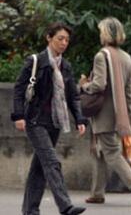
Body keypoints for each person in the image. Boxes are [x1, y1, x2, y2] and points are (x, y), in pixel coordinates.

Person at [11, 22, 87, 215]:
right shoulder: (36, 61)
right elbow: (19, 89)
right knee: (52, 162)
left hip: (54, 123)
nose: (64, 43)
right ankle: (65, 206)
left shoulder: (65, 66)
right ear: (49, 37)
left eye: (67, 40)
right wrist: (18, 115)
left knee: (39, 167)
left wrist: (79, 119)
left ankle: (30, 210)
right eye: (60, 38)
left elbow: (73, 96)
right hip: (35, 121)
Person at [79, 17, 131, 206]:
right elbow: (128, 91)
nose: (100, 35)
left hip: (104, 114)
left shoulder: (102, 56)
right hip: (119, 113)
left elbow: (99, 85)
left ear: (106, 34)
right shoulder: (127, 58)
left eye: (101, 31)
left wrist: (84, 85)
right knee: (99, 152)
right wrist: (127, 113)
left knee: (111, 152)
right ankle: (97, 193)